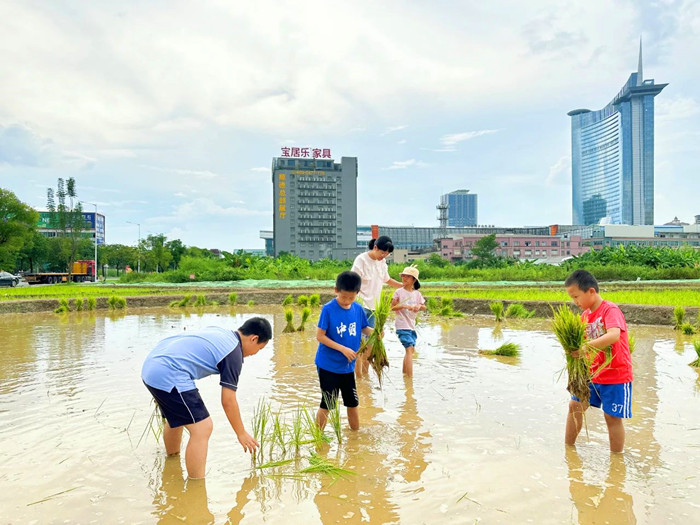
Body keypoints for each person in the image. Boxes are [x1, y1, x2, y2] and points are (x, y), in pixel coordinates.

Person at [141, 317, 272, 478]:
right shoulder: (233, 353)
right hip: (169, 372)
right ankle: (196, 488)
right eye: (260, 348)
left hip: (151, 366)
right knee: (203, 427)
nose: (255, 354)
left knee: (177, 419)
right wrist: (241, 433)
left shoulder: (222, 333)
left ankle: (172, 462)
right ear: (254, 339)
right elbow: (228, 400)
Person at [564, 270, 633, 453]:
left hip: (616, 374)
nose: (575, 302)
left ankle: (616, 459)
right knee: (575, 406)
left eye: (576, 296)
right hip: (591, 374)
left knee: (611, 417)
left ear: (591, 291)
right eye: (572, 298)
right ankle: (568, 450)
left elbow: (614, 335)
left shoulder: (610, 310)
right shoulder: (585, 316)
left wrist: (586, 347)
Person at [315, 271, 376, 430]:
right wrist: (342, 349)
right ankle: (318, 437)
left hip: (347, 366)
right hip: (328, 365)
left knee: (352, 402)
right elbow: (320, 336)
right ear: (336, 290)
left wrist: (375, 332)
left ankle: (355, 437)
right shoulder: (328, 309)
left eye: (351, 297)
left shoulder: (358, 308)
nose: (347, 301)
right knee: (327, 403)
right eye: (344, 297)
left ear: (357, 293)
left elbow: (363, 328)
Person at [351, 236, 402, 376]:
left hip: (374, 309)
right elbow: (353, 281)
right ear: (375, 248)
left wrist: (403, 286)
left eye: (387, 254)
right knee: (359, 344)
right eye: (382, 253)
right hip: (360, 306)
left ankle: (365, 376)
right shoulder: (361, 260)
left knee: (370, 344)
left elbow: (387, 279)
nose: (383, 256)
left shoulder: (382, 262)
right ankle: (358, 377)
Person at [391, 265, 426, 377]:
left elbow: (424, 306)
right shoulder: (398, 292)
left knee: (410, 351)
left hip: (411, 326)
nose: (404, 278)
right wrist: (405, 306)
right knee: (409, 349)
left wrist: (418, 306)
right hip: (402, 325)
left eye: (408, 277)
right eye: (403, 276)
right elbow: (393, 307)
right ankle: (410, 380)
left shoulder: (417, 294)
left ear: (413, 280)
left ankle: (405, 375)